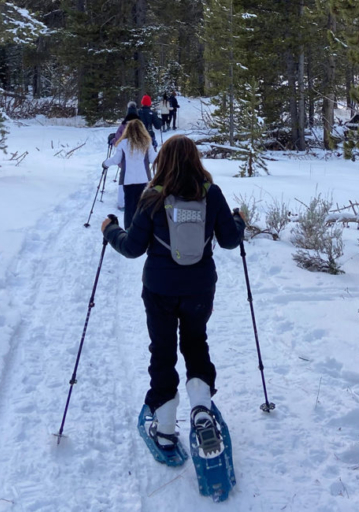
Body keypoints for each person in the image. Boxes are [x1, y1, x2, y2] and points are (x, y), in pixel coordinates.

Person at [101, 135, 245, 453]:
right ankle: (201, 411)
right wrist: (238, 221)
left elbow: (132, 248)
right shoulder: (211, 194)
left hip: (159, 290)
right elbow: (231, 241)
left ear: (162, 160)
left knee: (162, 353)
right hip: (200, 287)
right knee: (196, 345)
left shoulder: (152, 197)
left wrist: (110, 230)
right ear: (196, 160)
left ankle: (165, 430)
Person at [102, 119, 157, 229]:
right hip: (143, 179)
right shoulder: (147, 143)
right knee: (141, 206)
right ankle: (142, 229)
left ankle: (128, 230)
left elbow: (116, 160)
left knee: (129, 207)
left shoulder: (123, 143)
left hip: (128, 180)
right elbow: (153, 159)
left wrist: (105, 164)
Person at [111, 102, 141, 210]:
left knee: (123, 180)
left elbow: (117, 142)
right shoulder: (141, 127)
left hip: (125, 160)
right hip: (139, 160)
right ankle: (138, 202)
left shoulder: (123, 126)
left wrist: (112, 140)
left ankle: (122, 203)